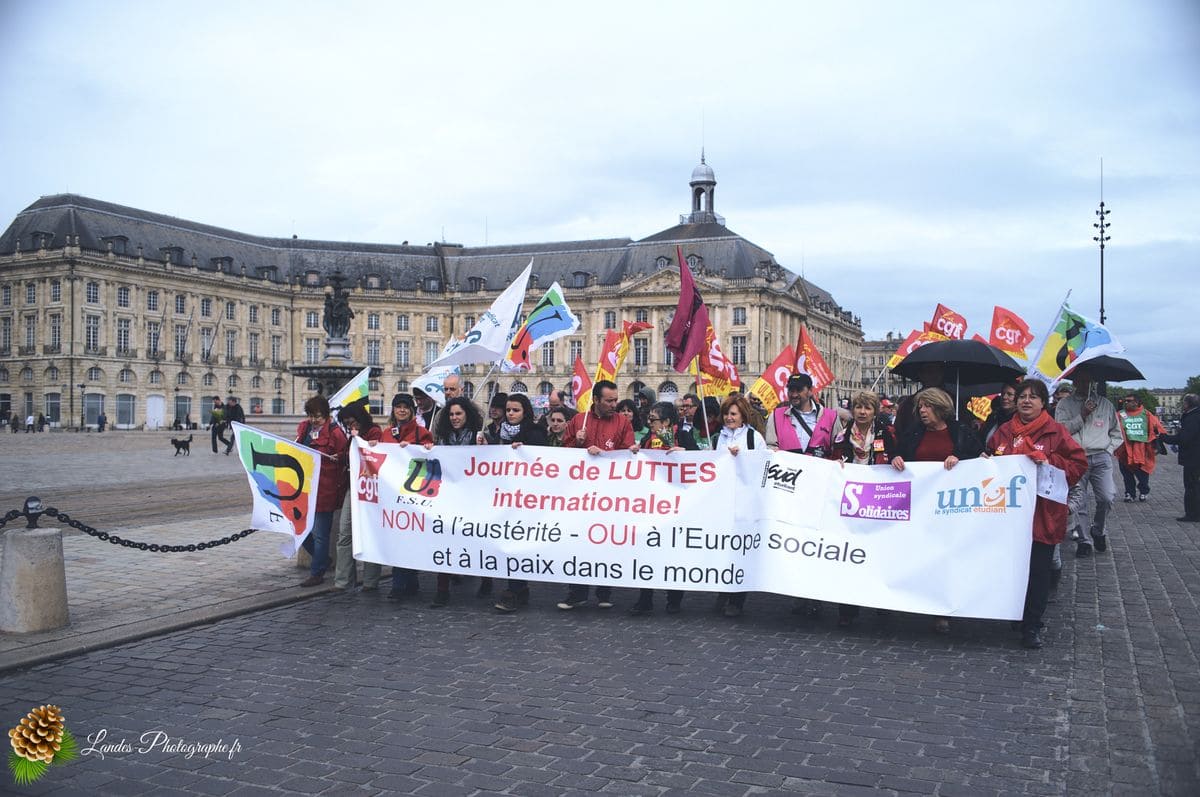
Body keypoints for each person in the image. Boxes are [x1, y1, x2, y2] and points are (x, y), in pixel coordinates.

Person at [987, 380, 1088, 648]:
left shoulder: (1056, 432)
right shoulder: (1004, 432)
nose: (1026, 401)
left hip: (1042, 515)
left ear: (1044, 402)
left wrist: (1049, 462)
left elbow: (1078, 464)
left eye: (1033, 397)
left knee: (1037, 572)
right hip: (1008, 516)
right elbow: (992, 459)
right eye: (1022, 396)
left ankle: (1032, 625)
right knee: (1012, 570)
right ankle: (1015, 614)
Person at [892, 386, 984, 633]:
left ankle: (941, 610)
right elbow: (899, 452)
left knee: (946, 557)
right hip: (920, 506)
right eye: (920, 406)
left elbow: (979, 458)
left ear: (940, 408)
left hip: (951, 507)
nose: (922, 410)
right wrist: (896, 459)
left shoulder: (959, 431)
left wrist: (959, 457)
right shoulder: (914, 433)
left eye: (927, 406)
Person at [559, 380, 639, 610]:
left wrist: (629, 451)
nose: (614, 404)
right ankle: (577, 591)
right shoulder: (578, 421)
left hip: (610, 495)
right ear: (596, 400)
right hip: (580, 494)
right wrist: (578, 444)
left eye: (615, 400)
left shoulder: (622, 422)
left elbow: (627, 452)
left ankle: (604, 590)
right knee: (578, 542)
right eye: (609, 400)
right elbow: (562, 455)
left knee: (605, 540)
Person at [828, 390, 897, 628]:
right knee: (849, 556)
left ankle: (882, 603)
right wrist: (835, 464)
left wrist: (897, 460)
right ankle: (847, 609)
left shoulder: (887, 434)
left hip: (879, 502)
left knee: (880, 555)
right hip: (852, 504)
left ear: (875, 411)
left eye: (867, 407)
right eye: (859, 407)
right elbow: (832, 462)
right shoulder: (841, 437)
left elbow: (898, 455)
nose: (862, 412)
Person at [424, 395, 486, 606]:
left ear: (467, 415)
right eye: (451, 414)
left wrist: (484, 446)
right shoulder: (442, 438)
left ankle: (486, 579)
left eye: (458, 413)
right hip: (450, 496)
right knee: (446, 539)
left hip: (473, 497)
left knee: (478, 539)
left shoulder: (477, 436)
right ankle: (442, 589)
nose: (454, 417)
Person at [1054, 367, 1122, 556]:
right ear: (1074, 383)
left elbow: (1117, 434)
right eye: (1081, 381)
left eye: (1088, 381)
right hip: (1075, 457)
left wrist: (1108, 450)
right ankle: (1084, 541)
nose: (1084, 385)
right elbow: (1061, 431)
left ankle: (1098, 529)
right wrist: (1082, 414)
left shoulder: (1105, 404)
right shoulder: (1064, 405)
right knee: (1079, 500)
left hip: (1100, 456)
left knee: (1107, 497)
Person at [491, 394, 549, 613]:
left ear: (525, 411)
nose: (510, 414)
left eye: (515, 410)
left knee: (517, 545)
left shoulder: (535, 433)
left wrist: (524, 451)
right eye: (508, 410)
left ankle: (514, 590)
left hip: (527, 500)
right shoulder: (499, 432)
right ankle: (518, 588)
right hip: (504, 497)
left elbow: (543, 463)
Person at [709, 394, 761, 618]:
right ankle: (723, 588)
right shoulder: (716, 438)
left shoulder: (752, 436)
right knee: (722, 547)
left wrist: (743, 457)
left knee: (740, 548)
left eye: (733, 414)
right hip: (721, 500)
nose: (729, 418)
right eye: (726, 414)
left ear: (742, 416)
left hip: (744, 499)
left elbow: (761, 462)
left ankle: (737, 598)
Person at [380, 393, 434, 600]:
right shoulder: (386, 434)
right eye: (398, 407)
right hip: (391, 494)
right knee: (396, 540)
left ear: (411, 411)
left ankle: (407, 581)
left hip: (414, 495)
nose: (401, 410)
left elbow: (432, 458)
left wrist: (426, 449)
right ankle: (400, 583)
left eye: (405, 407)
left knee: (410, 539)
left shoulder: (421, 433)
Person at [297, 395, 350, 587]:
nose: (314, 420)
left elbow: (348, 455)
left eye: (317, 416)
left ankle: (317, 572)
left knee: (320, 534)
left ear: (326, 414)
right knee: (299, 530)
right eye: (311, 415)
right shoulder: (304, 428)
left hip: (325, 490)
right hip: (304, 488)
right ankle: (323, 560)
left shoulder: (336, 433)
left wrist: (340, 457)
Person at [332, 403, 382, 591]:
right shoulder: (352, 436)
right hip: (353, 488)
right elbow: (350, 455)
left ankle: (370, 581)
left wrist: (358, 440)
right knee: (345, 533)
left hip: (370, 489)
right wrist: (342, 455)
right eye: (347, 424)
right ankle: (343, 580)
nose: (351, 427)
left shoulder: (374, 432)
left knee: (370, 534)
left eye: (352, 422)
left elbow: (372, 456)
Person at [765, 373, 843, 458]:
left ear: (810, 391)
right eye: (791, 390)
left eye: (799, 390)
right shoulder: (776, 416)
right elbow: (770, 447)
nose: (794, 395)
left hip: (820, 470)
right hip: (789, 470)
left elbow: (838, 449)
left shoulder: (831, 417)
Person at [1115, 394, 1166, 503]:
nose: (1126, 402)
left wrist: (1157, 444)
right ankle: (1129, 493)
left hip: (1142, 450)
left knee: (1143, 473)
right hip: (1125, 450)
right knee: (1126, 474)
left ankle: (1144, 491)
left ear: (1137, 402)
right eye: (1125, 400)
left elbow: (1157, 428)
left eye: (1129, 401)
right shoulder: (1121, 414)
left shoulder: (1146, 414)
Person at [1160, 393, 1199, 522]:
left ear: (1187, 404)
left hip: (1193, 458)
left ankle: (1192, 514)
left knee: (1191, 486)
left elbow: (1184, 438)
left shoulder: (1193, 417)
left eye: (1184, 403)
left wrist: (1164, 437)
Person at [978, 382, 1018, 450]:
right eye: (1003, 393)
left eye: (1009, 394)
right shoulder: (994, 416)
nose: (1004, 397)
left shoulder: (1020, 421)